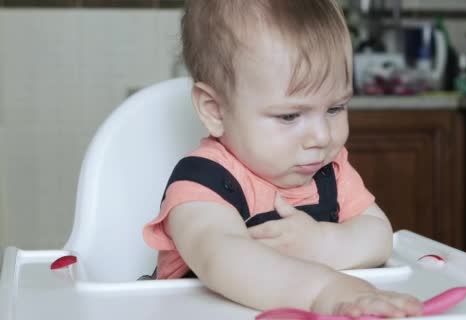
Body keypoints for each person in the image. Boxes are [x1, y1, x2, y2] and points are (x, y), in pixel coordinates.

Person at [143, 0, 423, 317]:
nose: (321, 137)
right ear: (214, 110)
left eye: (335, 108)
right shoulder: (201, 183)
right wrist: (326, 291)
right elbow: (223, 259)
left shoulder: (331, 173)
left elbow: (379, 236)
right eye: (290, 116)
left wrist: (322, 244)